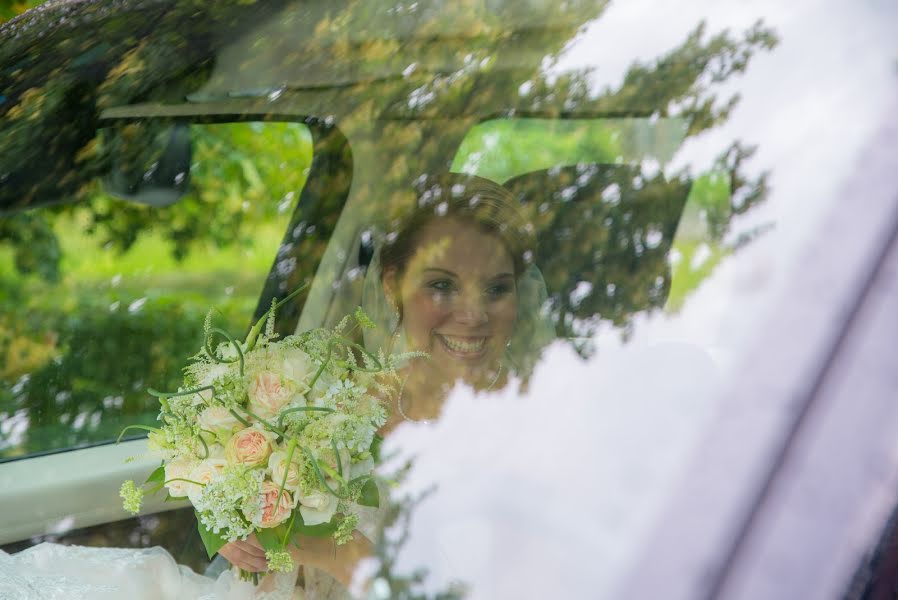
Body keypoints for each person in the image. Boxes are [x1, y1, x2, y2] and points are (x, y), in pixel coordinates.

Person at [218, 173, 554, 596]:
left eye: (496, 288)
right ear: (393, 285)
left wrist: (346, 558)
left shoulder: (546, 430)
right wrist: (239, 531)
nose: (473, 315)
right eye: (442, 285)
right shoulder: (331, 400)